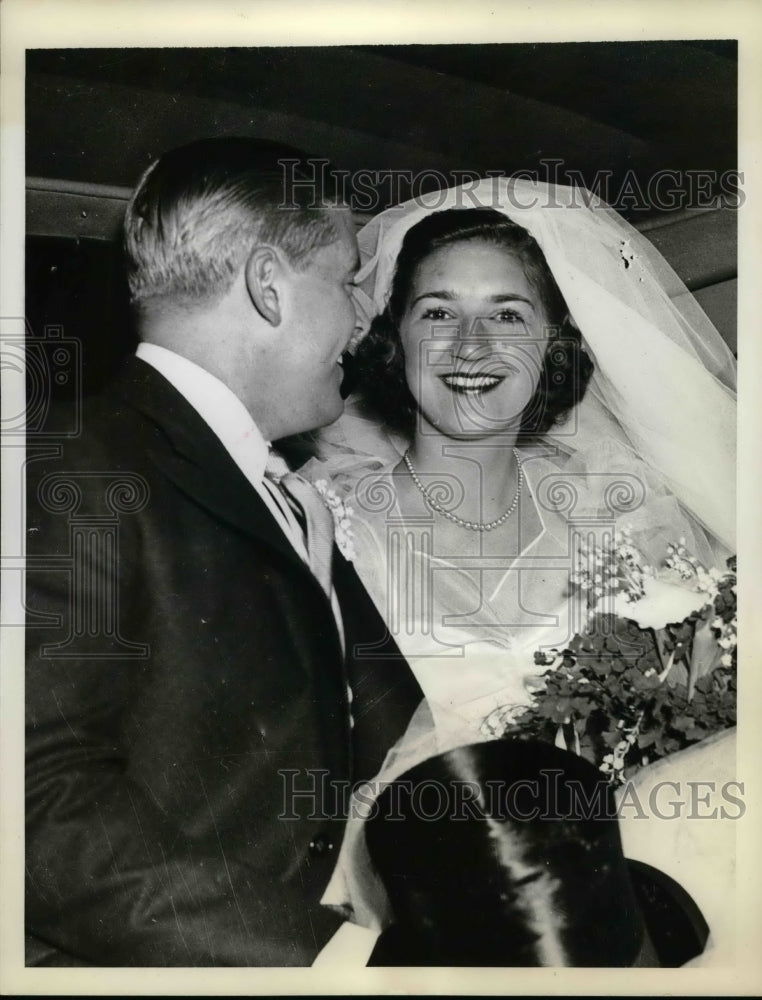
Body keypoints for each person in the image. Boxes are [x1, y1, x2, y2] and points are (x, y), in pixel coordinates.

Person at [304, 180, 737, 956]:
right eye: (438, 313)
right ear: (392, 338)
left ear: (553, 344)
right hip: (447, 922)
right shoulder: (326, 529)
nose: (473, 349)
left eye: (508, 314)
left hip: (671, 889)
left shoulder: (623, 505)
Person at [24, 138, 422, 967]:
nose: (363, 317)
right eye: (348, 281)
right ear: (269, 286)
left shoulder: (281, 482)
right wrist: (332, 960)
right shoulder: (71, 465)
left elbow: (391, 737)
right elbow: (38, 803)